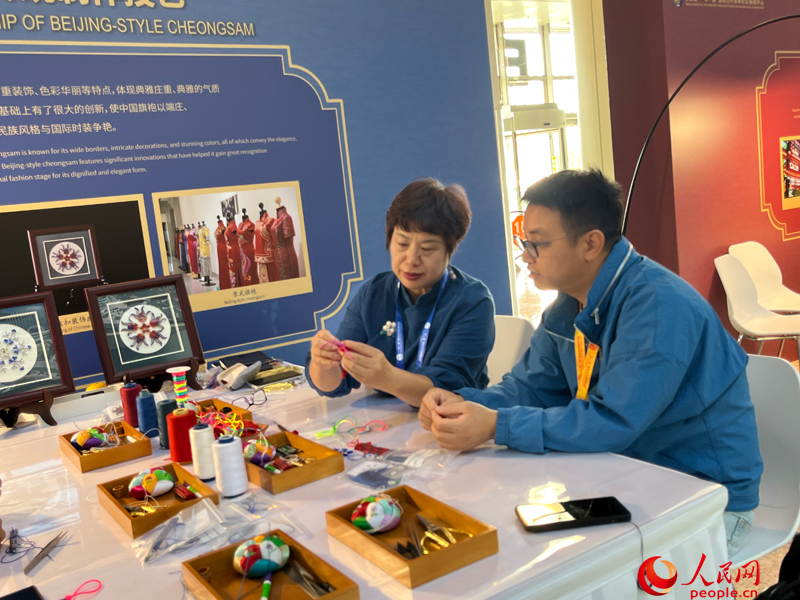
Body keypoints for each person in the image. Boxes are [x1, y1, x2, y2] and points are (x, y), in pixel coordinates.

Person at [419, 169, 763, 556]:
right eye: (524, 241)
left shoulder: (657, 306)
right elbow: (530, 387)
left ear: (591, 244)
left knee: (577, 573)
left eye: (537, 244)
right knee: (513, 543)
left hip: (702, 500)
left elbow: (613, 421)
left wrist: (496, 426)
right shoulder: (570, 303)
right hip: (621, 481)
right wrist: (464, 404)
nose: (524, 256)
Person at [306, 178, 495, 407]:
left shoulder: (472, 301)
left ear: (450, 248)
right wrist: (323, 363)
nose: (411, 260)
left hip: (450, 424)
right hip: (386, 426)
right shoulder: (374, 293)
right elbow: (335, 385)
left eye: (427, 248)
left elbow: (446, 389)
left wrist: (387, 377)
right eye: (402, 244)